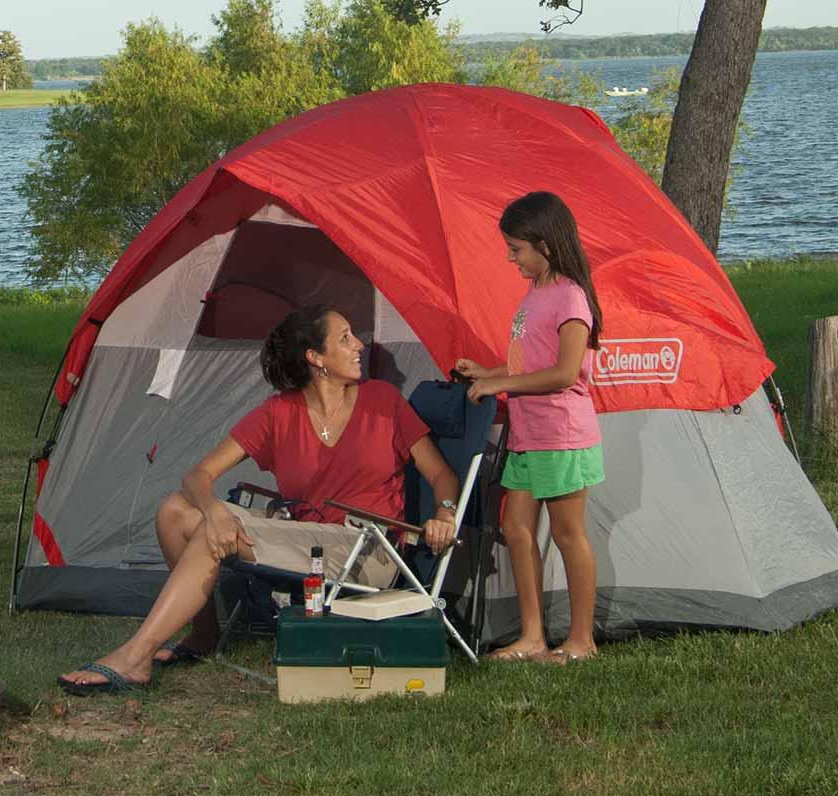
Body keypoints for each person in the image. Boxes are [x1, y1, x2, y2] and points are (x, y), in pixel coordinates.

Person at [58, 305, 461, 695]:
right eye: (345, 338)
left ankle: (135, 657)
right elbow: (197, 475)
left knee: (217, 532)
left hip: (365, 551)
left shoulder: (383, 401)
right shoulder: (279, 412)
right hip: (306, 538)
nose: (360, 344)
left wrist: (445, 512)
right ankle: (202, 634)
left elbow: (441, 474)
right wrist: (214, 511)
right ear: (315, 358)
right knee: (174, 512)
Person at [455, 190, 606, 665]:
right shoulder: (535, 293)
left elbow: (563, 373)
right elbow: (528, 364)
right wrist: (488, 372)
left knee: (567, 533)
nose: (510, 257)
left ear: (545, 245)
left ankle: (581, 641)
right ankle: (533, 637)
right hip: (527, 436)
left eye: (516, 248)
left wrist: (502, 383)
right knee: (516, 528)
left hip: (561, 436)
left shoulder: (571, 297)